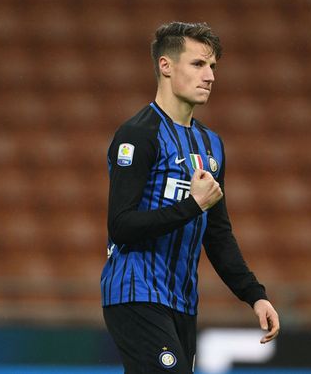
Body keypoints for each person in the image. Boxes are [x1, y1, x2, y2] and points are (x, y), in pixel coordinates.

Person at [101, 21, 280, 373]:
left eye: (212, 66)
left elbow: (217, 233)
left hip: (182, 303)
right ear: (166, 66)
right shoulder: (138, 135)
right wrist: (192, 205)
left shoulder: (211, 145)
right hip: (136, 294)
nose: (210, 76)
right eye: (198, 64)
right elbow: (121, 225)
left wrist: (254, 295)